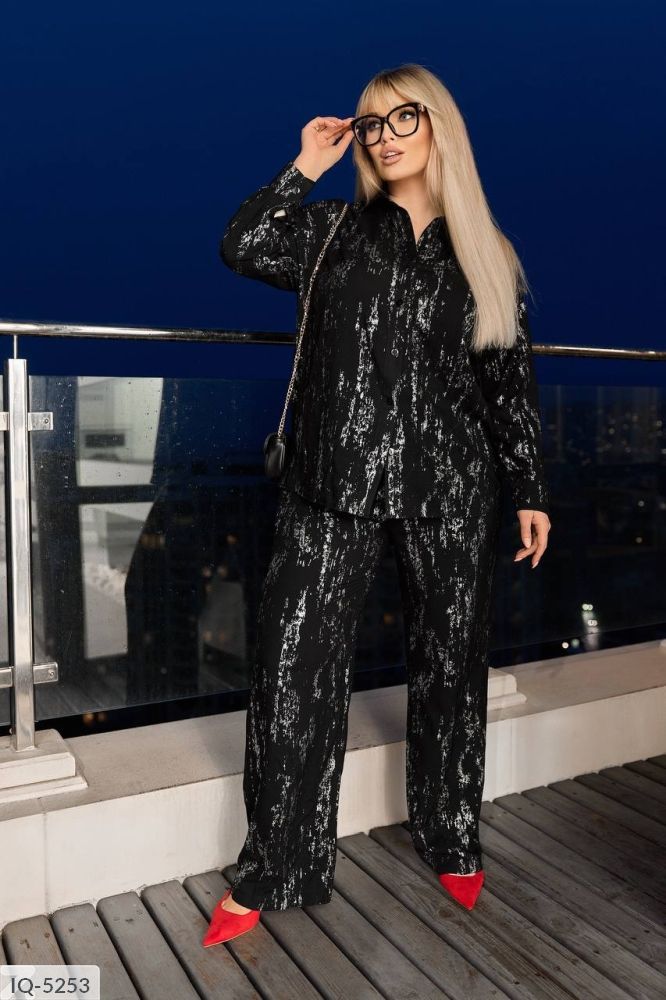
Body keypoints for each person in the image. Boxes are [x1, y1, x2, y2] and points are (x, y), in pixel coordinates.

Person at [203, 63, 551, 947]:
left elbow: (507, 386)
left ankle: (452, 834)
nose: (386, 135)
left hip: (451, 489)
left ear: (439, 127)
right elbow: (241, 245)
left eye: (405, 117)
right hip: (328, 486)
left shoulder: (487, 253)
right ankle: (277, 862)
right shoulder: (329, 231)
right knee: (292, 669)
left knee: (451, 668)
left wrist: (529, 492)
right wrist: (303, 165)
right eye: (371, 123)